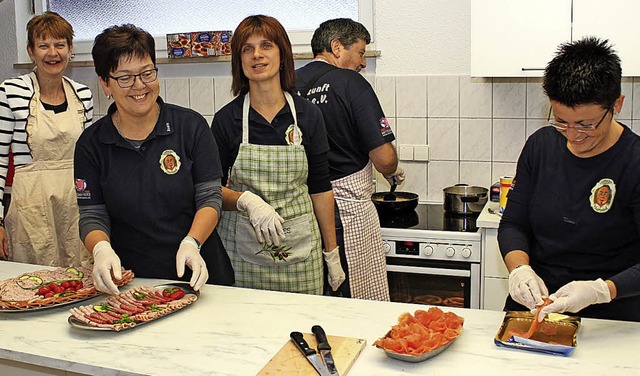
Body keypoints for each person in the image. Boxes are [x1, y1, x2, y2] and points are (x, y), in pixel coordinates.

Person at [74, 24, 234, 294]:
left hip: (201, 275)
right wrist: (101, 249)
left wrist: (192, 243)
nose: (139, 86)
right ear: (105, 83)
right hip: (133, 283)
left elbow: (209, 198)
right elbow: (92, 214)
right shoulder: (91, 144)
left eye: (147, 73)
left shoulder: (190, 127)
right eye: (125, 77)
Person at [498, 36, 640, 322]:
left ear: (617, 104)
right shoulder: (540, 146)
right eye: (562, 121)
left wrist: (600, 290)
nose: (573, 135)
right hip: (537, 306)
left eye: (586, 124)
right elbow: (514, 224)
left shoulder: (634, 161)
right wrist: (519, 270)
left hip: (613, 316)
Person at [211, 15, 344, 295]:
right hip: (242, 254)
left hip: (301, 255)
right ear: (239, 61)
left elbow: (320, 187)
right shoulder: (227, 120)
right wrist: (246, 201)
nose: (257, 55)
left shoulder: (308, 115)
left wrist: (331, 252)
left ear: (282, 54)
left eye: (266, 46)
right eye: (247, 49)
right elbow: (211, 190)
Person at [295, 18, 404, 300]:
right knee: (352, 300)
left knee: (311, 297)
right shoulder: (351, 83)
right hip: (344, 216)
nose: (363, 63)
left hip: (299, 214)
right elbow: (384, 158)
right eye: (360, 52)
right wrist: (393, 167)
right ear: (336, 47)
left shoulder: (288, 84)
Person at [0, 12, 93, 266]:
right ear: (31, 51)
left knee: (80, 281)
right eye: (43, 45)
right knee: (36, 286)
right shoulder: (11, 92)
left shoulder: (83, 95)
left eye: (59, 44)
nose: (53, 53)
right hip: (30, 208)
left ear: (70, 49)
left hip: (76, 206)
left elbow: (91, 161)